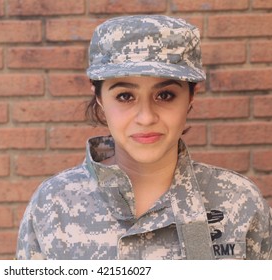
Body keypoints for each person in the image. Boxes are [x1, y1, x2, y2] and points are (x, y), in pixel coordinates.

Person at [16, 15, 272, 260]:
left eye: (165, 95)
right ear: (99, 97)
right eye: (125, 96)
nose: (146, 117)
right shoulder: (53, 205)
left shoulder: (240, 202)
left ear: (190, 98)